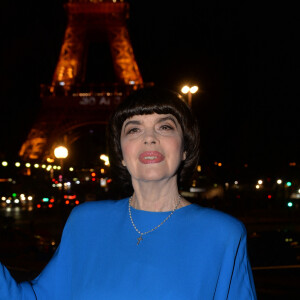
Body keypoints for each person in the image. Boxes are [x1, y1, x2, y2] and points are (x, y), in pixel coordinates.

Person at [0, 87, 257, 299]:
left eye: (164, 127)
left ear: (185, 150)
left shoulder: (224, 234)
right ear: (121, 154)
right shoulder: (85, 221)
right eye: (134, 129)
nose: (149, 138)